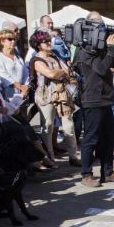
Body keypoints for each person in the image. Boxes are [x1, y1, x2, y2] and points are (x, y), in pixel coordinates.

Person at [74, 12, 114, 187]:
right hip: (92, 98)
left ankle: (107, 171)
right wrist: (110, 49)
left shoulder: (101, 48)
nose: (102, 27)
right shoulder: (84, 51)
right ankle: (86, 174)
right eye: (98, 24)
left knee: (110, 137)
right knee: (91, 138)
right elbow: (102, 69)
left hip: (105, 98)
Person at [30, 29, 79, 166]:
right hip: (45, 95)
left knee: (69, 124)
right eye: (45, 41)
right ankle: (49, 157)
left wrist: (60, 72)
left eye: (48, 40)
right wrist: (60, 72)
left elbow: (68, 72)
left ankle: (73, 156)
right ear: (38, 44)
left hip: (61, 92)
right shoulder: (37, 60)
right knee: (48, 125)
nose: (48, 43)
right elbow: (51, 74)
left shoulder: (55, 56)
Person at [0, 28, 28, 102]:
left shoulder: (18, 58)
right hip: (6, 93)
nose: (13, 41)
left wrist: (25, 87)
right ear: (2, 41)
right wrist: (19, 86)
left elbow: (26, 74)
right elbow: (1, 74)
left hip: (21, 93)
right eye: (10, 39)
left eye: (14, 39)